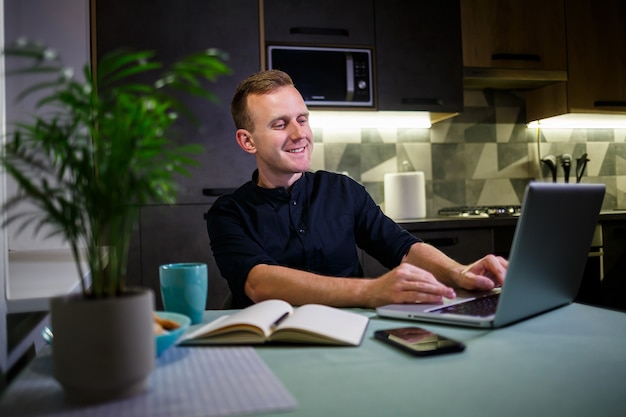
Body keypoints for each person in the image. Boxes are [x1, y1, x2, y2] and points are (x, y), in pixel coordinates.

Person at [206, 69, 508, 309]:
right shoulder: (228, 212)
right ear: (248, 141)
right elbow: (259, 283)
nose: (300, 134)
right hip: (269, 347)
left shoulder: (342, 190)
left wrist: (459, 273)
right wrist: (371, 290)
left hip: (350, 338)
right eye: (280, 124)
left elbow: (401, 248)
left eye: (302, 119)